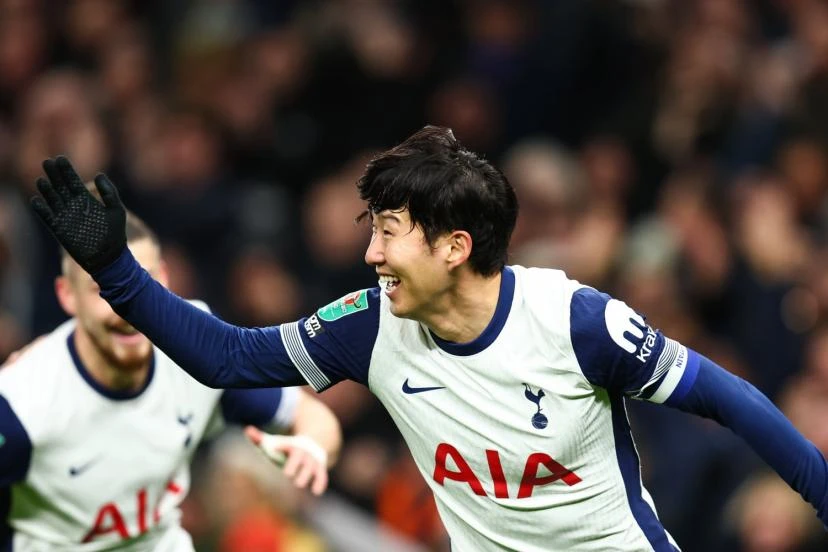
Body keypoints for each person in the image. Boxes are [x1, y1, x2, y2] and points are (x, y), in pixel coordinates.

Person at [30, 127, 828, 552]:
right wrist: (115, 272)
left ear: (453, 246)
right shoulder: (372, 325)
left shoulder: (576, 323)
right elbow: (229, 357)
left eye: (388, 232)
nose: (371, 255)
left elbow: (737, 402)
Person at [0, 210, 341, 550]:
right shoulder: (22, 402)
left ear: (162, 281)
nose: (124, 308)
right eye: (101, 288)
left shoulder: (198, 348)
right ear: (66, 295)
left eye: (137, 283)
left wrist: (309, 448)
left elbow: (314, 418)